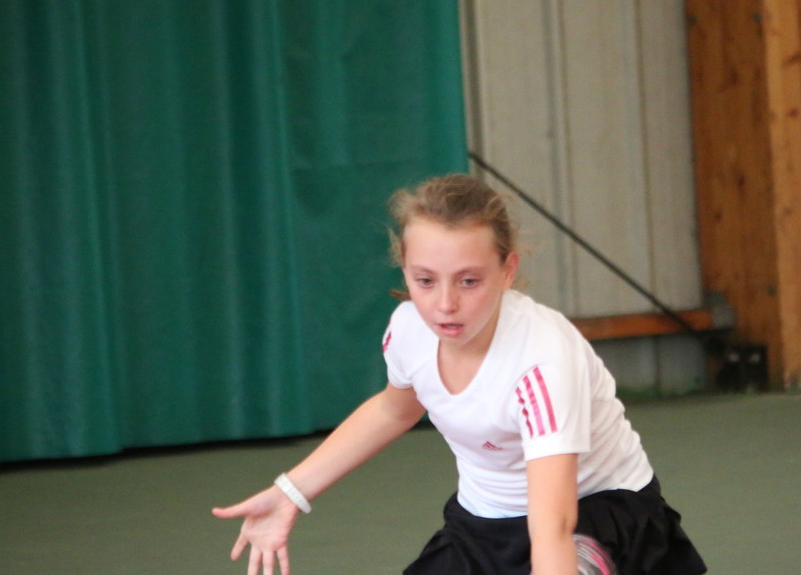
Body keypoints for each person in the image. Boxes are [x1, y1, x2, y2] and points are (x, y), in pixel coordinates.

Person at [213, 173, 707, 575]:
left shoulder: (541, 363)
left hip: (595, 515)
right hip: (482, 521)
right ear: (405, 270)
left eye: (469, 281)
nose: (445, 304)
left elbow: (552, 525)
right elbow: (393, 410)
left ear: (507, 270)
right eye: (425, 280)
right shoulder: (408, 330)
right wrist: (290, 492)